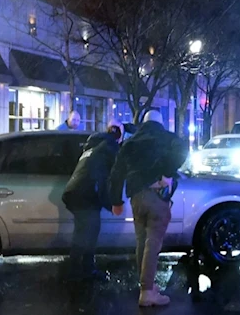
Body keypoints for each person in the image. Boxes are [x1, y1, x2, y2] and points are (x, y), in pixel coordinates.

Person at [109, 110, 188, 307]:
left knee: (141, 242)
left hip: (136, 196)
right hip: (156, 196)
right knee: (153, 243)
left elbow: (117, 173)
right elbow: (182, 150)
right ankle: (147, 292)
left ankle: (147, 286)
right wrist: (166, 173)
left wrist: (116, 201)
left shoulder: (130, 142)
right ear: (160, 123)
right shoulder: (167, 138)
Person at [61, 121, 125, 281]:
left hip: (74, 192)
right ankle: (79, 271)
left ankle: (81, 268)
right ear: (119, 137)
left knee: (83, 231)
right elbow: (105, 180)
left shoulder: (92, 147)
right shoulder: (110, 149)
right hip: (86, 195)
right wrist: (112, 204)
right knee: (88, 232)